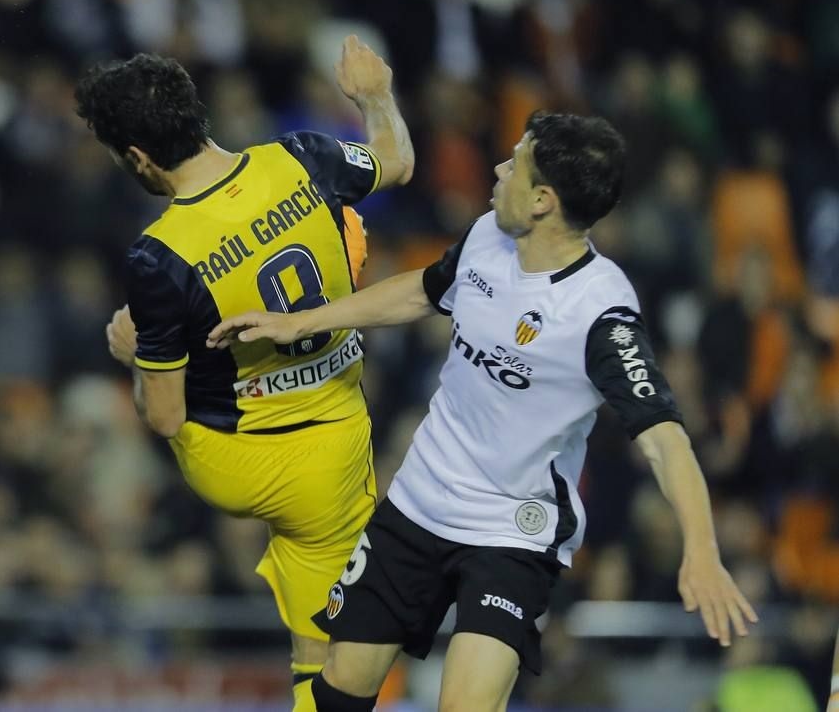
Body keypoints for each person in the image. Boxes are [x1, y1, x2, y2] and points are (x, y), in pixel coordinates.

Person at [209, 112, 757, 712]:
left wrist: (701, 549)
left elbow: (664, 439)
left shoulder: (601, 312)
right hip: (420, 499)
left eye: (515, 163)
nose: (499, 169)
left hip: (510, 532)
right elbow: (426, 290)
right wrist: (299, 322)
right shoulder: (488, 237)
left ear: (544, 200)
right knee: (340, 687)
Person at [84, 36, 415, 711]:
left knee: (315, 654)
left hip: (233, 457)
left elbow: (165, 418)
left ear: (138, 158)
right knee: (331, 650)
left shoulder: (157, 255)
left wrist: (138, 362)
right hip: (333, 441)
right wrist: (373, 95)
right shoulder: (301, 156)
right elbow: (397, 163)